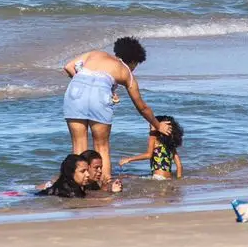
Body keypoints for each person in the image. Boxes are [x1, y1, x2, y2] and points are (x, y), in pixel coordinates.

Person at [61, 37, 169, 186]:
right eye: (135, 65)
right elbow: (142, 107)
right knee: (102, 147)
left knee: (79, 144)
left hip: (75, 91)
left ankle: (77, 185)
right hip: (100, 98)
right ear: (133, 61)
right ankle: (105, 185)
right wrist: (158, 125)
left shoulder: (96, 53)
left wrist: (90, 85)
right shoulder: (125, 71)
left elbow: (68, 66)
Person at [119, 116, 184, 179]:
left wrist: (129, 159)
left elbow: (148, 155)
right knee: (131, 176)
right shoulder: (170, 144)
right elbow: (179, 166)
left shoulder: (153, 137)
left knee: (126, 177)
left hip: (158, 178)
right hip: (168, 179)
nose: (150, 129)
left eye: (150, 126)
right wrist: (178, 180)